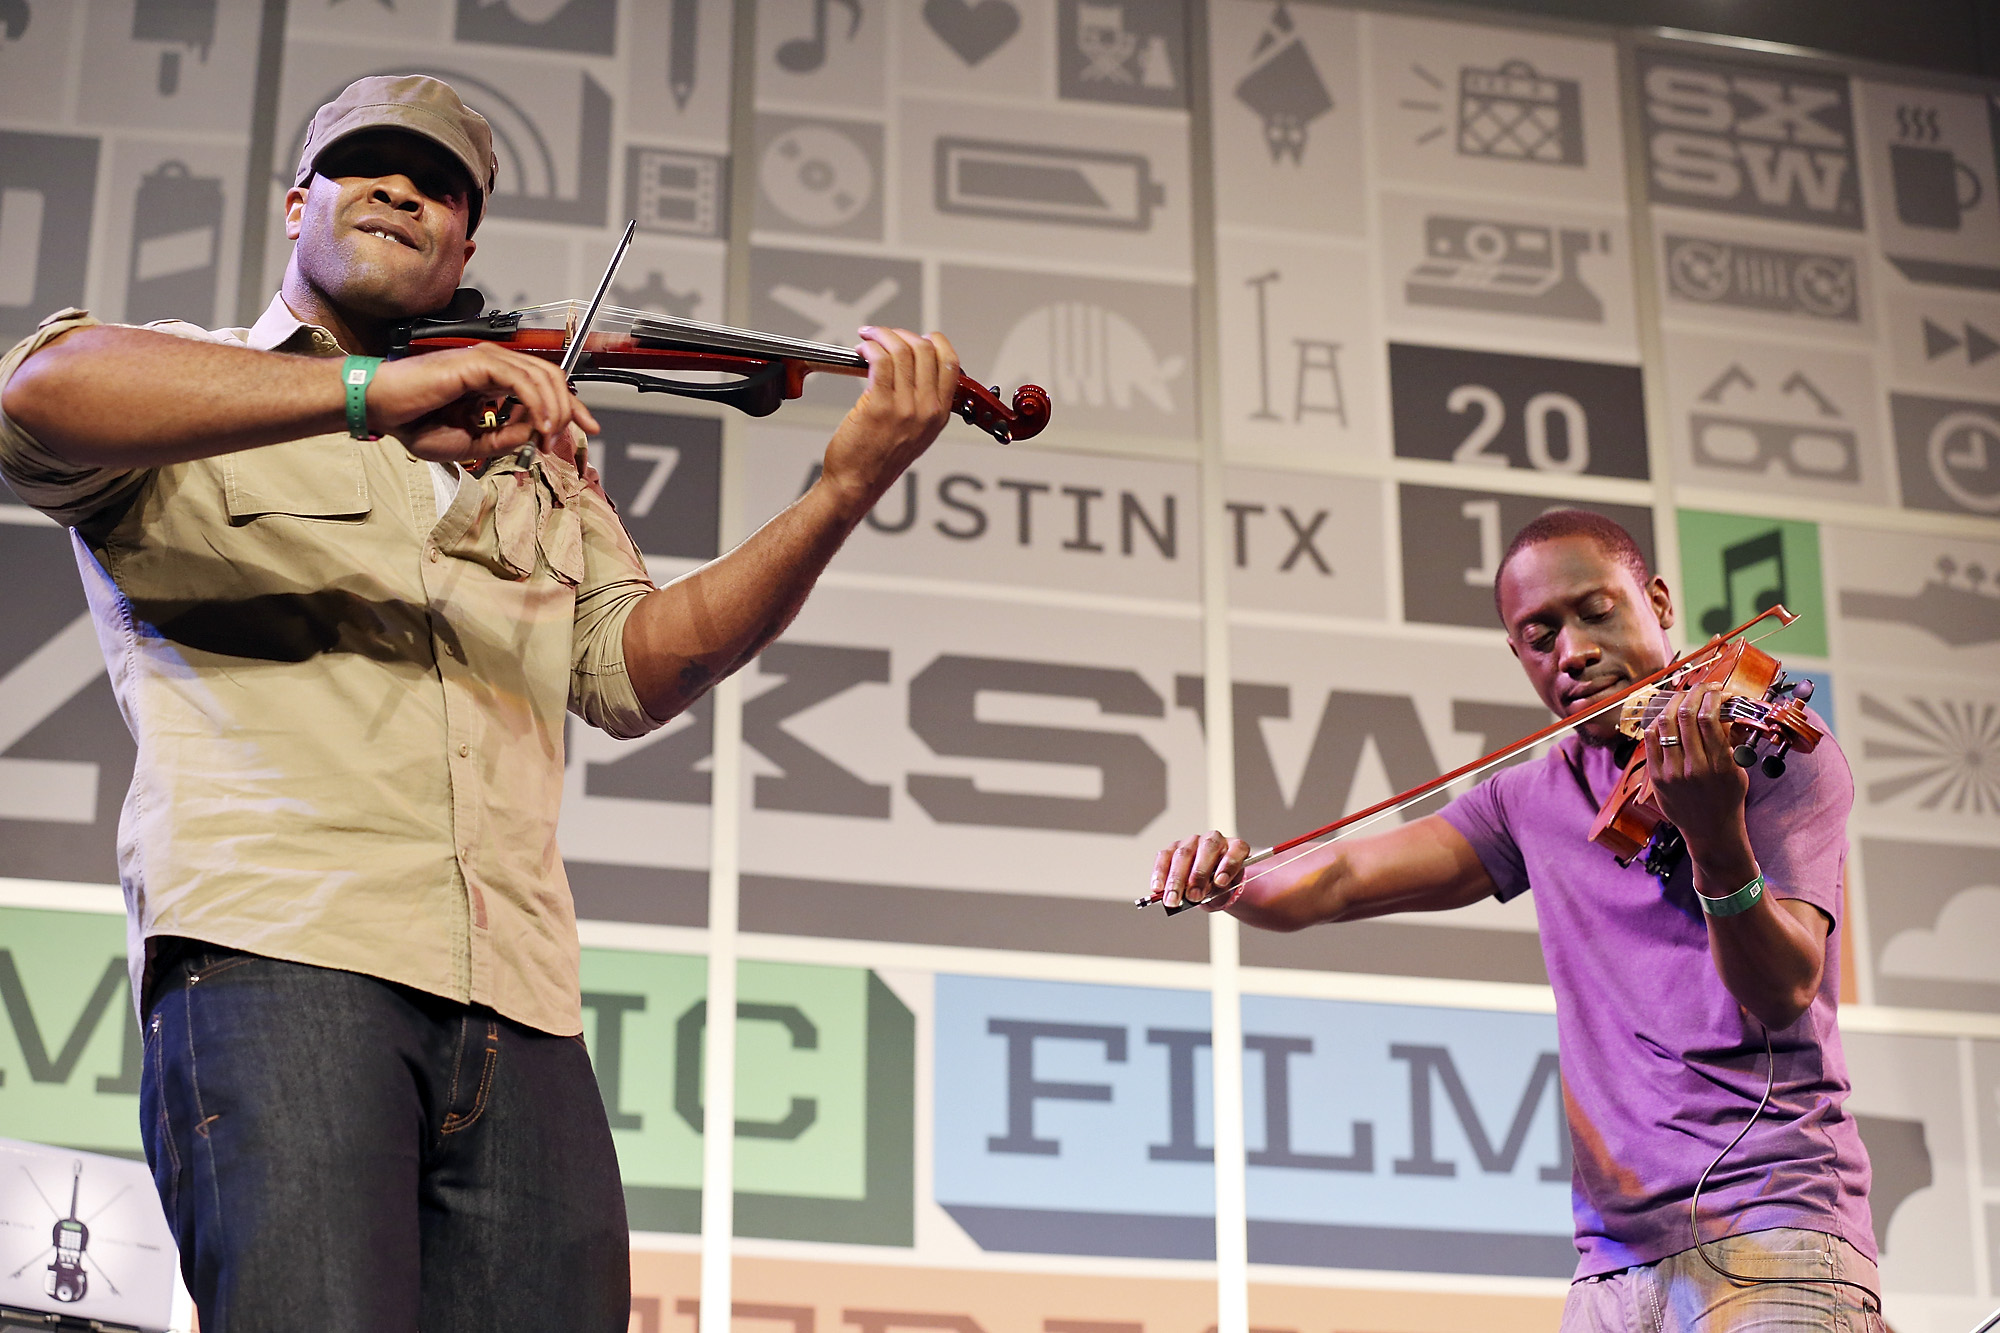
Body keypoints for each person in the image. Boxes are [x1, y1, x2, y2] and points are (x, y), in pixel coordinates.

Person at [0, 75, 962, 1332]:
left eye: (439, 183)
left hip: (521, 1001)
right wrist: (365, 397)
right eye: (368, 166)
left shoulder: (523, 450)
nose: (401, 190)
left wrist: (838, 489)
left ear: (464, 244)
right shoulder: (200, 389)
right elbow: (37, 393)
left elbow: (632, 669)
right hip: (284, 960)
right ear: (299, 202)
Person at [1151, 509, 1879, 1332]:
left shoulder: (1774, 752)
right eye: (1539, 636)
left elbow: (1783, 986)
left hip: (1774, 1226)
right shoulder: (1533, 797)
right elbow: (1346, 878)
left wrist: (1715, 836)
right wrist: (1232, 882)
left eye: (1595, 610)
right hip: (1611, 1261)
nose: (1571, 651)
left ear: (1660, 601)